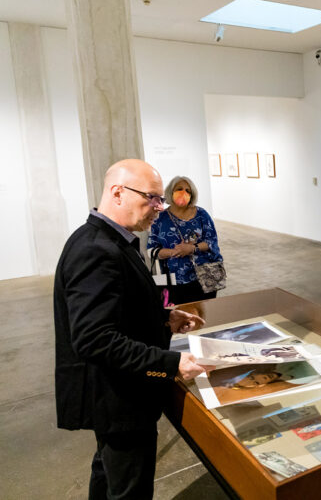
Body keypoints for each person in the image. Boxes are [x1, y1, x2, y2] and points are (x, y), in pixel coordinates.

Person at [53, 159, 212, 500]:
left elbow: (116, 311)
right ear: (117, 192)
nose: (160, 206)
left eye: (161, 198)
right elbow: (94, 338)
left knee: (108, 473)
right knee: (128, 489)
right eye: (152, 197)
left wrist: (163, 319)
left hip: (117, 395)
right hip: (119, 399)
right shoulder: (96, 250)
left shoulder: (111, 240)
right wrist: (173, 363)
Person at [148, 175, 224, 305]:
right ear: (170, 192)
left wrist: (193, 248)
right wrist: (174, 252)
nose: (184, 193)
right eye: (179, 189)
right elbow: (152, 250)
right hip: (175, 279)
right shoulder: (160, 218)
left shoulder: (201, 214)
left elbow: (212, 241)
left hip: (206, 274)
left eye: (188, 191)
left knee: (206, 312)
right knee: (180, 315)